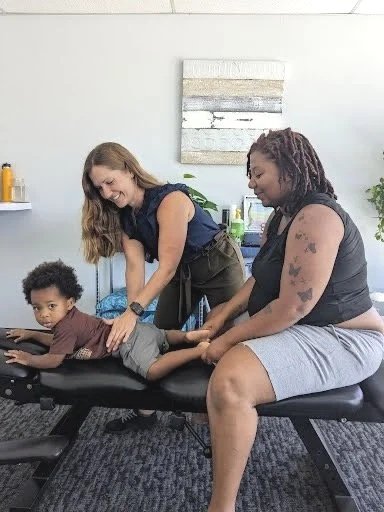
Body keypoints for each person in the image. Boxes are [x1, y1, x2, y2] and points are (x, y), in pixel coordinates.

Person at [198, 128, 384, 512]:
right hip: (307, 330)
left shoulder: (316, 216)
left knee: (231, 379)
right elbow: (259, 278)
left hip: (344, 338)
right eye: (249, 175)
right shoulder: (281, 218)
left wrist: (227, 341)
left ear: (290, 169)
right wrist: (224, 316)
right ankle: (222, 422)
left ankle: (221, 507)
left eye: (258, 173)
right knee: (213, 342)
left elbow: (291, 308)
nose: (252, 184)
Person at [81, 142, 245, 431]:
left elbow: (166, 265)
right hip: (183, 272)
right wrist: (132, 320)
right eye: (99, 188)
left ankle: (222, 415)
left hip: (218, 263)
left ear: (129, 170)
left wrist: (131, 312)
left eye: (109, 182)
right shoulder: (125, 216)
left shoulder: (171, 201)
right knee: (156, 337)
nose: (106, 193)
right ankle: (146, 414)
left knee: (227, 338)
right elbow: (135, 265)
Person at [5, 261, 210, 380]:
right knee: (163, 335)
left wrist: (28, 359)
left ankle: (196, 350)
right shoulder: (71, 320)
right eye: (36, 308)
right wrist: (31, 333)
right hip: (141, 330)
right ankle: (186, 336)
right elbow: (58, 343)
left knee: (152, 370)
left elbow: (53, 359)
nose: (44, 314)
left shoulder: (67, 327)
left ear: (69, 302)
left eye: (51, 306)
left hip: (128, 343)